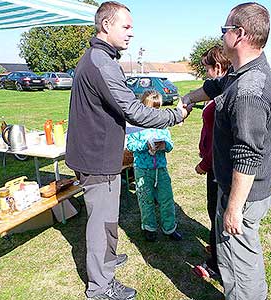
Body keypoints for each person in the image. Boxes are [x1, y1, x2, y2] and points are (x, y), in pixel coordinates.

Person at [65, 2, 188, 300]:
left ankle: (105, 260)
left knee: (106, 219)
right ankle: (100, 286)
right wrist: (175, 115)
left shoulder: (100, 58)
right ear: (106, 25)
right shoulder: (101, 62)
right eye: (126, 26)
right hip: (97, 159)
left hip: (96, 155)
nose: (132, 32)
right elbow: (133, 110)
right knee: (102, 223)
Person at [182, 3, 271, 300]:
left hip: (244, 195)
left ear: (239, 34)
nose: (221, 34)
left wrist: (234, 208)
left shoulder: (249, 90)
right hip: (237, 189)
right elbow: (216, 85)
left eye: (223, 30)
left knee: (241, 263)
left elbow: (247, 156)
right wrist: (189, 97)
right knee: (235, 255)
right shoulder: (242, 73)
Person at [192, 45, 230, 279]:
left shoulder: (223, 97)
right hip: (213, 164)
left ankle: (215, 264)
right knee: (214, 210)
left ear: (217, 67)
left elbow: (219, 139)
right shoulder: (218, 93)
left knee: (216, 212)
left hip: (217, 167)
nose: (205, 73)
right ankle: (215, 247)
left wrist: (205, 164)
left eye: (206, 68)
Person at [127, 90, 182, 242]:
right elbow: (130, 145)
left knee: (166, 199)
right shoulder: (135, 125)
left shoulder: (162, 124)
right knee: (146, 200)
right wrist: (145, 145)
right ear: (143, 107)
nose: (154, 112)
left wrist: (164, 145)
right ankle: (149, 227)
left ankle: (169, 228)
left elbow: (170, 145)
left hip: (161, 169)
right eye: (151, 108)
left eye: (157, 108)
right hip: (143, 170)